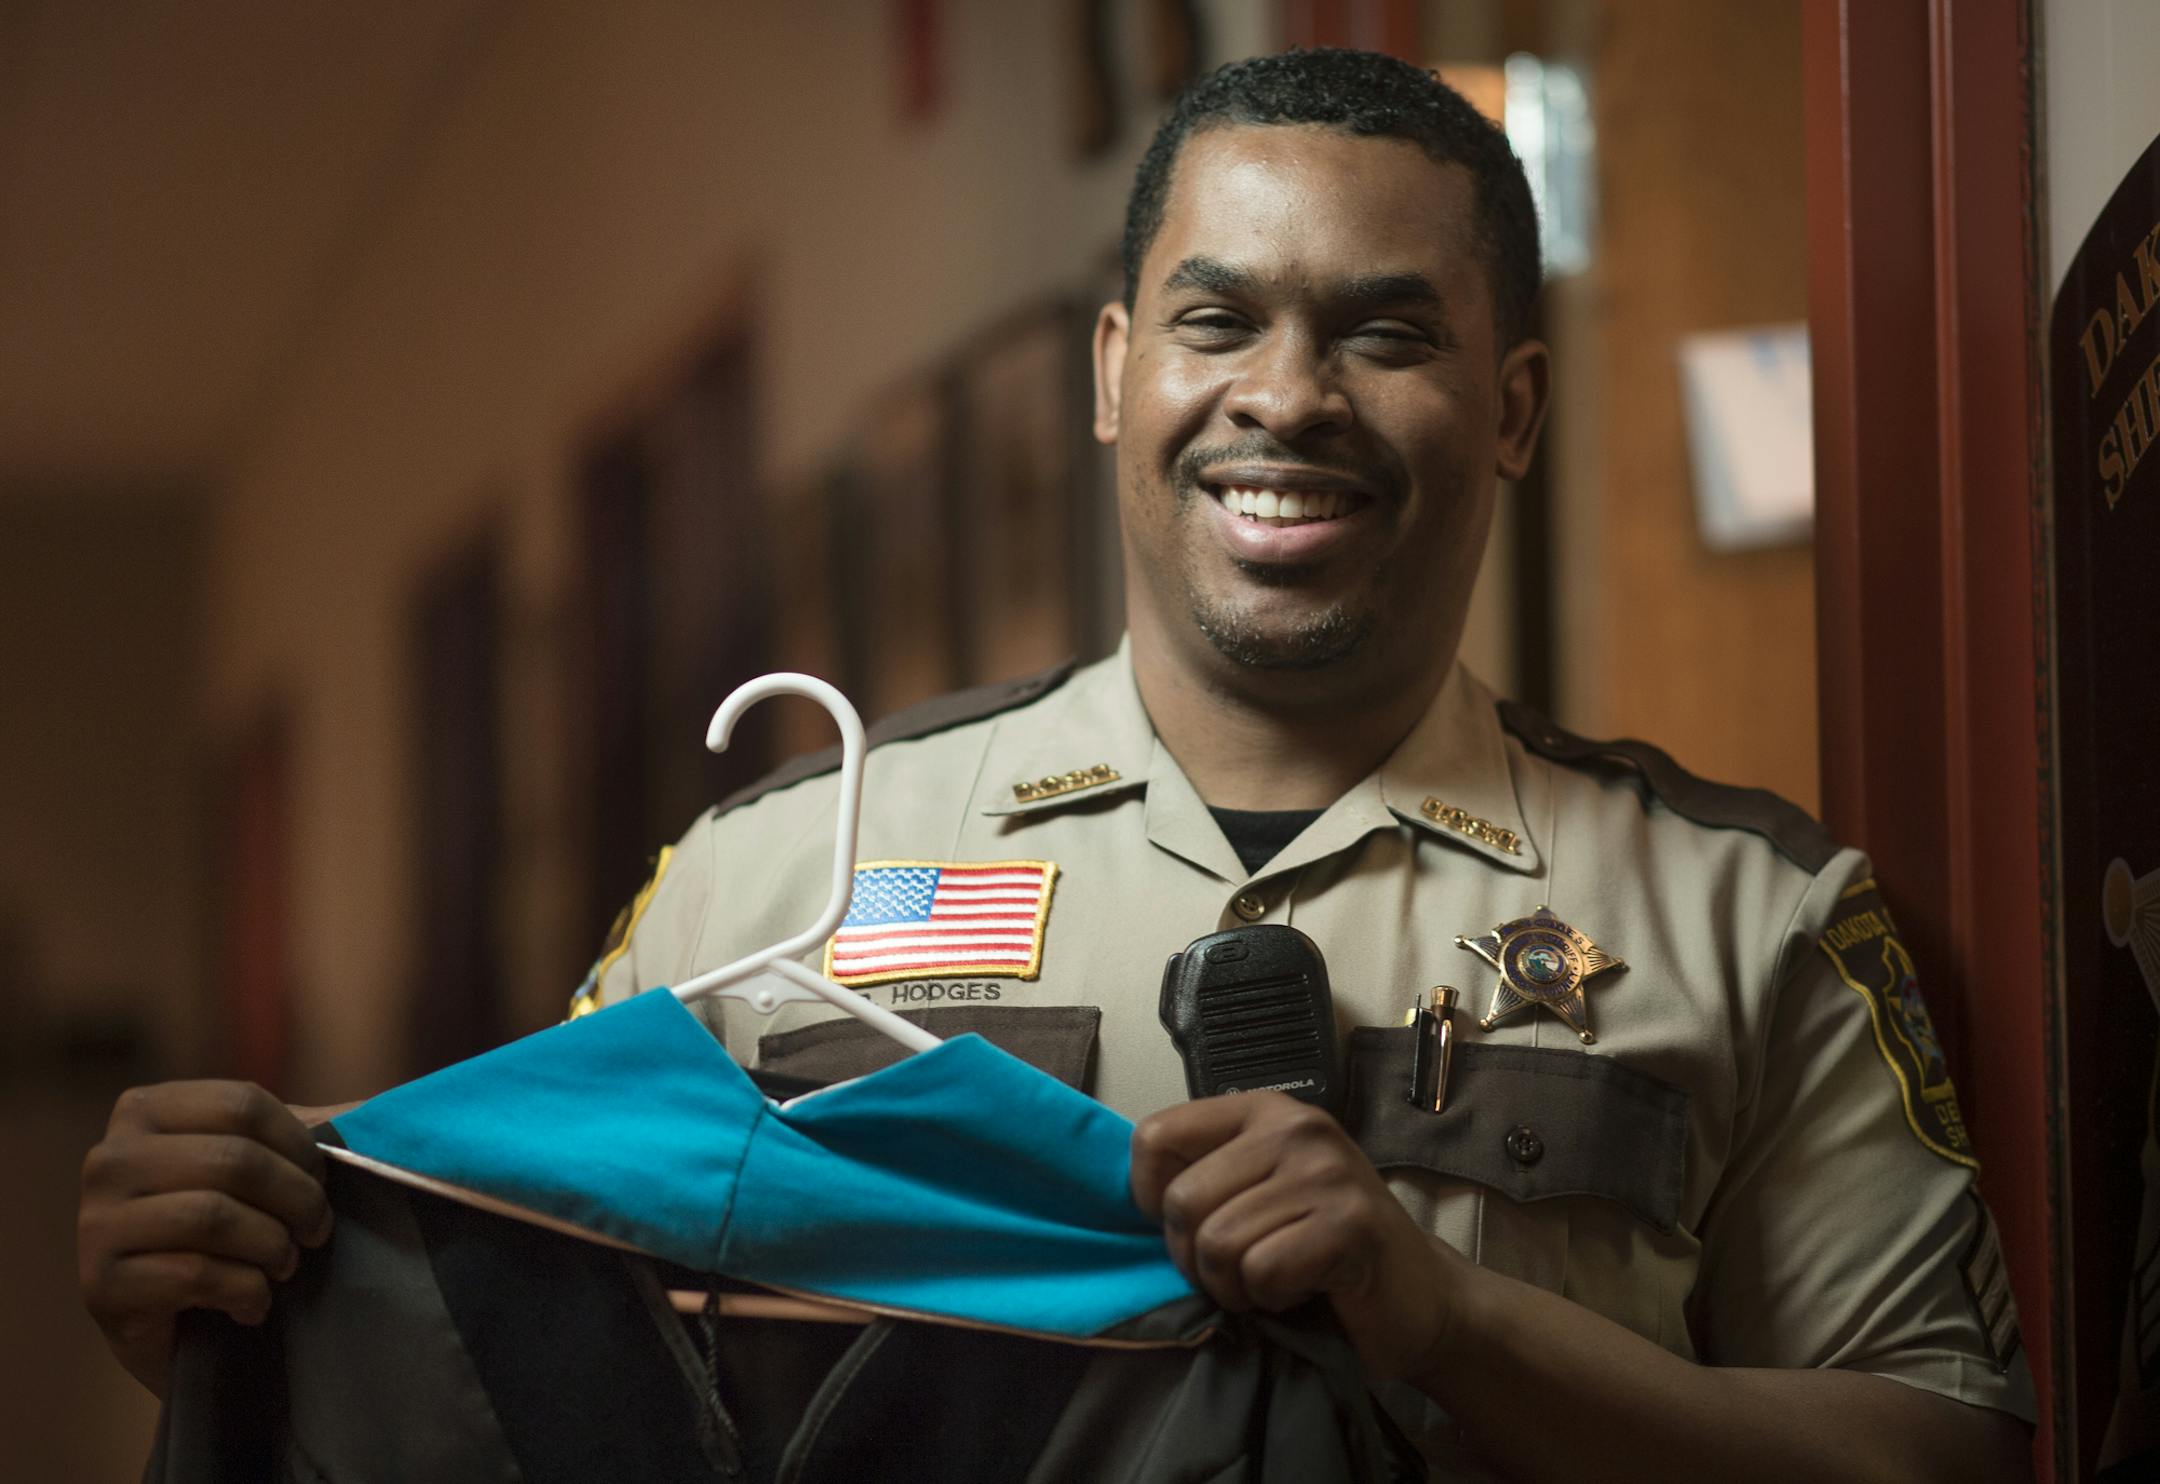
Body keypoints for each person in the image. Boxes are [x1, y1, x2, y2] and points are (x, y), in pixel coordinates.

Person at [79, 49, 2035, 1480]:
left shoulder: (1758, 914)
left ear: (1512, 407)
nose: (1287, 395)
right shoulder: (764, 885)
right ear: (1114, 372)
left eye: (1384, 335)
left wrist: (1453, 1321)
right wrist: (227, 1303)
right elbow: (526, 1386)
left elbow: (1941, 1450)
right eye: (1219, 321)